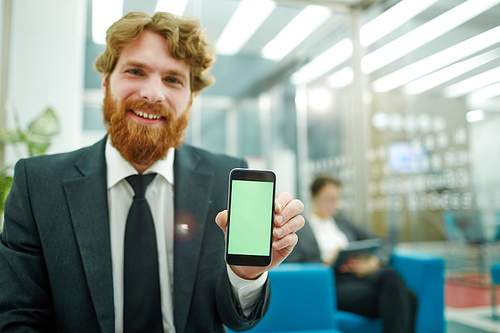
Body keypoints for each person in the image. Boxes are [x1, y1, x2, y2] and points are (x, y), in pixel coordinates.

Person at [0, 11, 304, 333]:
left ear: (190, 98)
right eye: (135, 71)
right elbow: (18, 316)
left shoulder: (225, 177)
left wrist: (246, 274)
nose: (153, 94)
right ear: (106, 82)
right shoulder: (39, 184)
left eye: (173, 79)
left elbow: (237, 319)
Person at [287, 174, 417, 333]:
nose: (333, 204)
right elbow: (294, 266)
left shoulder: (343, 223)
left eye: (337, 199)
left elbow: (384, 242)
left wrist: (374, 262)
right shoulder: (302, 229)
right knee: (408, 297)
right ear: (314, 197)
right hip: (333, 283)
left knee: (392, 278)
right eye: (328, 198)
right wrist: (327, 264)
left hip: (358, 276)